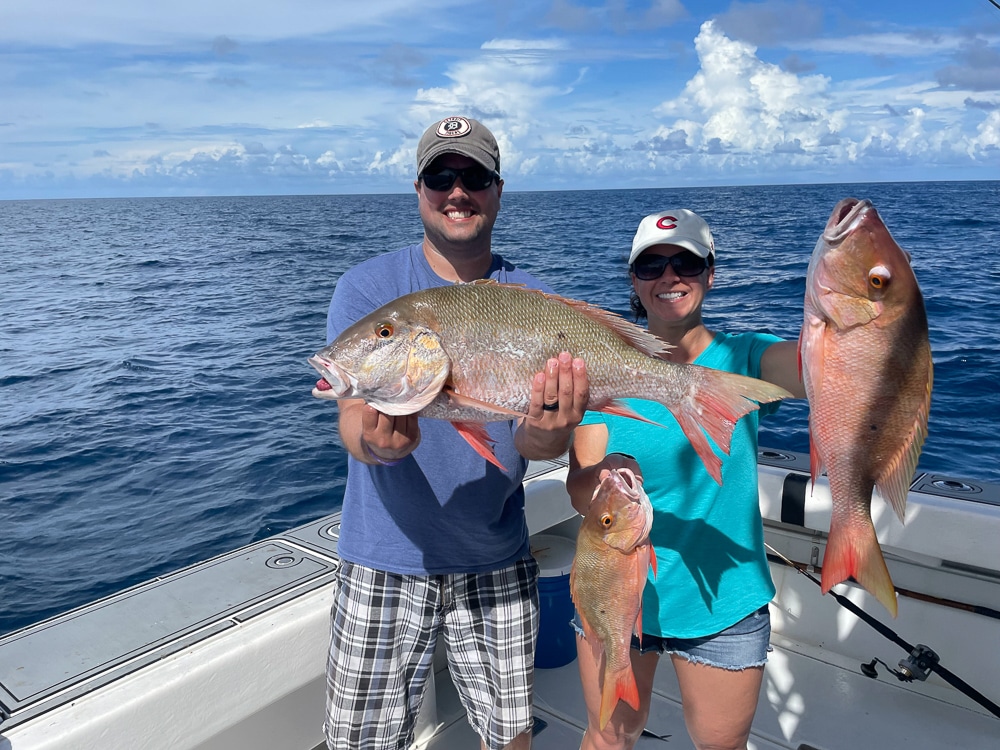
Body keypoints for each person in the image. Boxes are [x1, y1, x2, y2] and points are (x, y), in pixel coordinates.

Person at [323, 115, 590, 750]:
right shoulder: (369, 289)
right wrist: (375, 444)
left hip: (495, 557)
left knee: (510, 738)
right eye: (441, 175)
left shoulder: (534, 302)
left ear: (498, 190)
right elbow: (354, 421)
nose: (457, 190)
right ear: (419, 189)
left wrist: (551, 433)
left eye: (474, 176)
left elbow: (534, 446)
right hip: (383, 559)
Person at [565, 209, 806, 750]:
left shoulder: (744, 359)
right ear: (633, 280)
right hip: (612, 594)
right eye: (651, 265)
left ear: (710, 274)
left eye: (687, 263)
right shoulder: (605, 371)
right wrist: (603, 477)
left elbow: (822, 369)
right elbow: (581, 490)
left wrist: (874, 304)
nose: (669, 276)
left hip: (725, 602)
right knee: (606, 738)